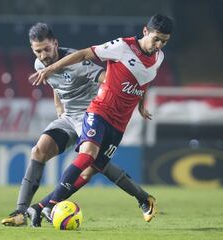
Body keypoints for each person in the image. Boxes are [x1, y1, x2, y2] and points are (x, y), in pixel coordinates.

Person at [1, 23, 155, 227]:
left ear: (55, 43)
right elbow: (56, 84)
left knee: (94, 166)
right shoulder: (39, 65)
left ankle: (143, 198)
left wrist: (137, 99)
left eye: (47, 49)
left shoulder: (76, 62)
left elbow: (111, 79)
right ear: (32, 50)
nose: (44, 55)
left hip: (93, 115)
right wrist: (59, 107)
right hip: (68, 118)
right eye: (38, 51)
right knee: (38, 151)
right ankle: (20, 211)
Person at [31, 14, 173, 223]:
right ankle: (51, 205)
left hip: (119, 123)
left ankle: (40, 206)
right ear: (145, 32)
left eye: (164, 41)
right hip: (99, 111)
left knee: (90, 172)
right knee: (87, 155)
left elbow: (145, 79)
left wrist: (141, 105)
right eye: (156, 39)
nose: (159, 44)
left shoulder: (158, 57)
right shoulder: (122, 47)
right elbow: (83, 54)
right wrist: (52, 68)